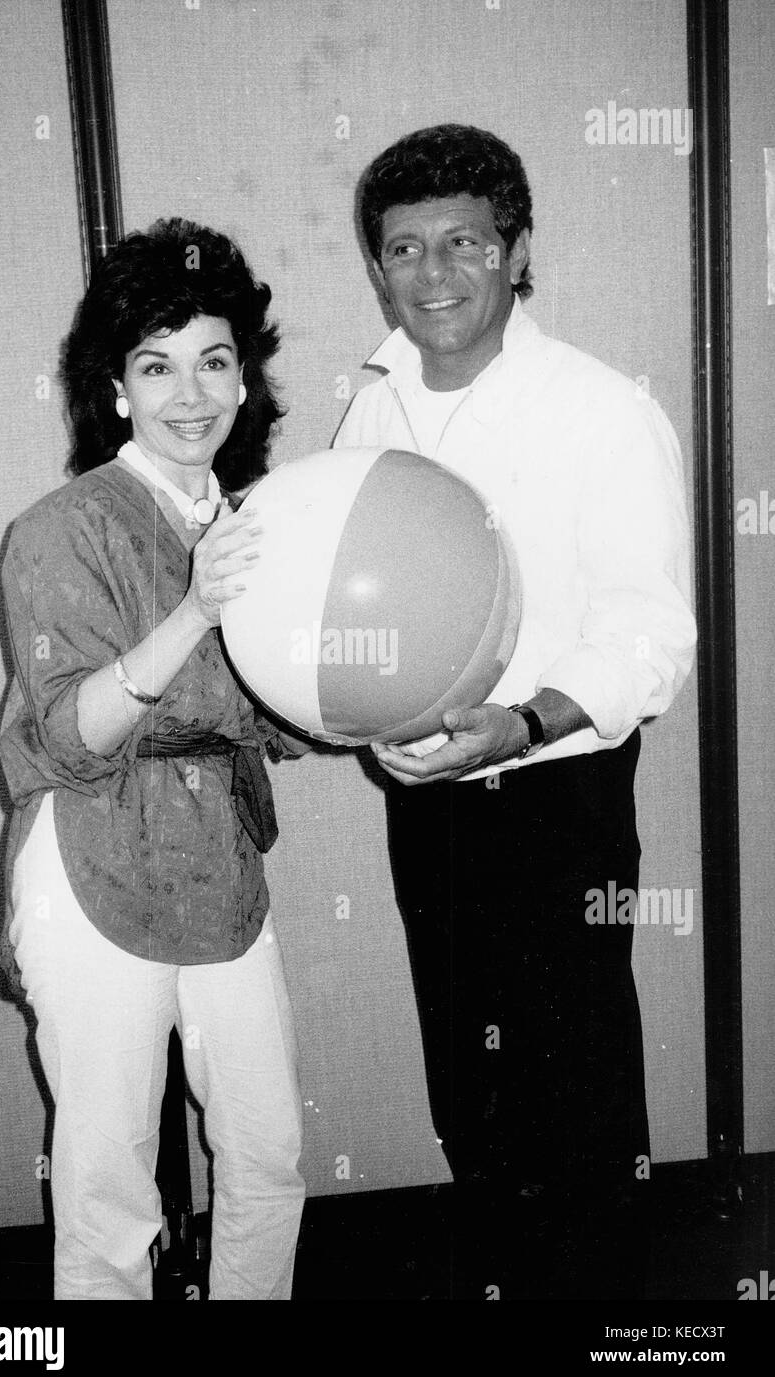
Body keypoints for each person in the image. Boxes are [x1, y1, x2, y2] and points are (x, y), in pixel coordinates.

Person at [334, 125, 697, 1294]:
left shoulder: (600, 410)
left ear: (515, 252)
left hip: (557, 792)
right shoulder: (372, 409)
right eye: (404, 249)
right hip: (426, 808)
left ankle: (608, 1313)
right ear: (376, 265)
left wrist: (523, 721)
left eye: (463, 244)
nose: (433, 275)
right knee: (467, 1079)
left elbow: (652, 637)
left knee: (579, 1080)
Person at [0, 217, 306, 1300]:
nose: (191, 393)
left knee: (269, 1154)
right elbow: (67, 734)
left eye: (215, 361)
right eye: (157, 365)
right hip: (90, 862)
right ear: (116, 389)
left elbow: (277, 710)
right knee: (109, 1185)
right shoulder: (59, 528)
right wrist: (195, 607)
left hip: (220, 864)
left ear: (244, 379)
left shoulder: (259, 522)